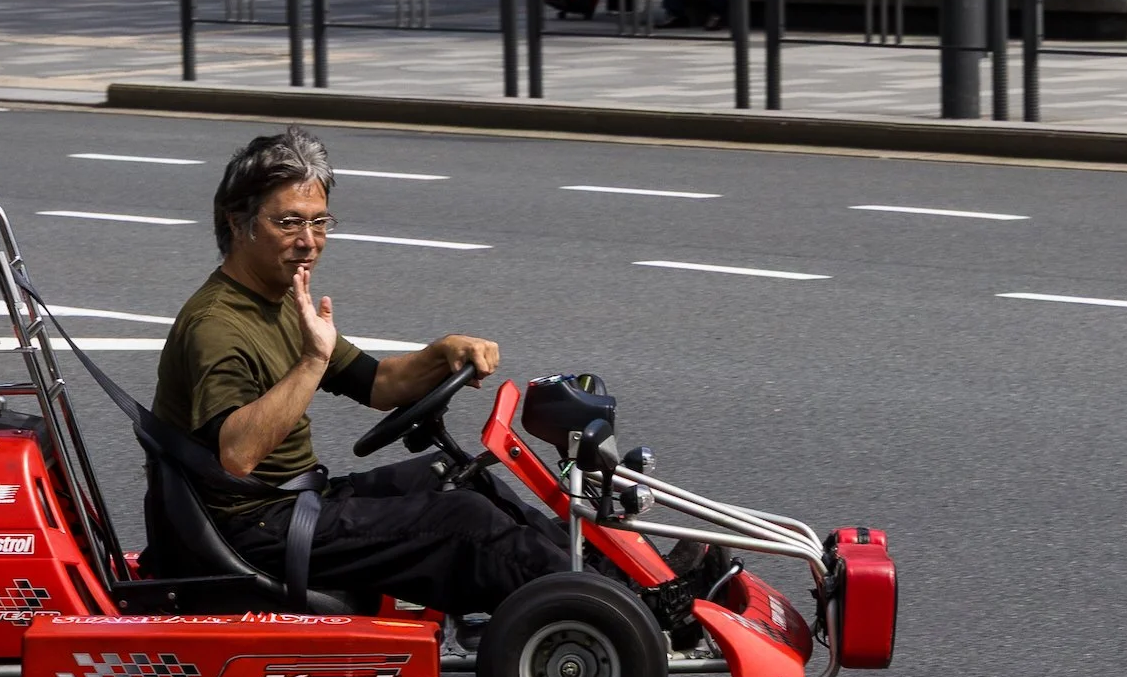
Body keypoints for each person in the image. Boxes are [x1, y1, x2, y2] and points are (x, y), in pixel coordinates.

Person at [151, 126, 721, 621]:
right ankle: (618, 613)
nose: (309, 243)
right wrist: (312, 360)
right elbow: (237, 456)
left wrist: (441, 353)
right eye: (289, 223)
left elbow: (376, 385)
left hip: (292, 503)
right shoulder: (216, 326)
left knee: (458, 475)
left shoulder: (275, 295)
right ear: (239, 222)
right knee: (462, 520)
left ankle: (610, 578)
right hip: (255, 526)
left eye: (320, 223)